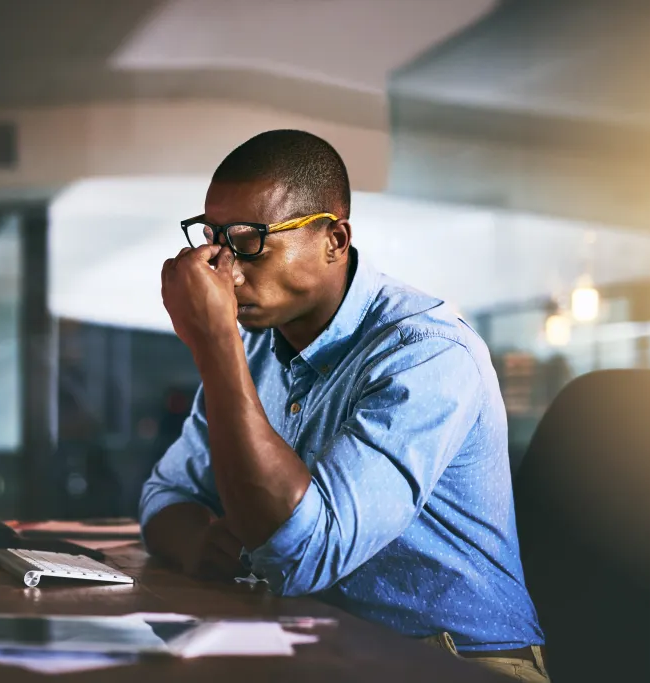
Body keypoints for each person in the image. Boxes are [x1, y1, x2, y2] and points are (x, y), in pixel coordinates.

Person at [141, 130, 547, 681]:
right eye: (213, 241)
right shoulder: (259, 348)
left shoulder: (427, 355)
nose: (226, 272)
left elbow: (300, 552)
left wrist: (214, 343)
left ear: (334, 239)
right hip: (325, 646)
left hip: (455, 659)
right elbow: (165, 493)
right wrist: (197, 542)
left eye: (250, 240)